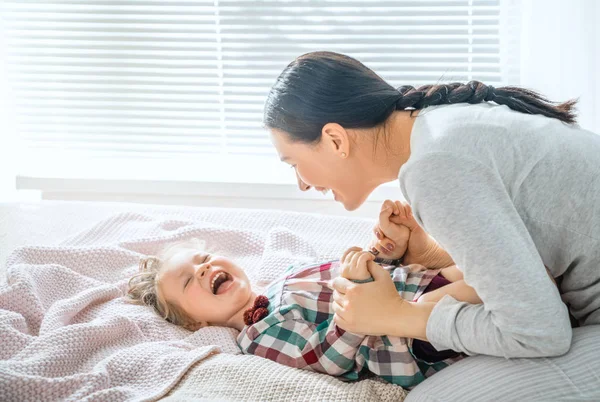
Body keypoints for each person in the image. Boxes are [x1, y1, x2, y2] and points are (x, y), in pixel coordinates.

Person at [263, 51, 600, 401]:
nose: (301, 184)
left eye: (294, 163)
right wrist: (432, 256)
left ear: (335, 140)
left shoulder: (434, 166)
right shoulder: (441, 124)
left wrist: (395, 316)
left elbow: (539, 332)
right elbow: (531, 256)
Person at [125, 212, 482, 388]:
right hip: (405, 339)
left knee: (479, 264)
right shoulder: (257, 336)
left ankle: (416, 253)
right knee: (492, 286)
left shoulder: (288, 275)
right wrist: (353, 297)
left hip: (411, 283)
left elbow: (349, 271)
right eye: (189, 280)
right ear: (193, 322)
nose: (204, 270)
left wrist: (379, 256)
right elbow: (324, 359)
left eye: (204, 260)